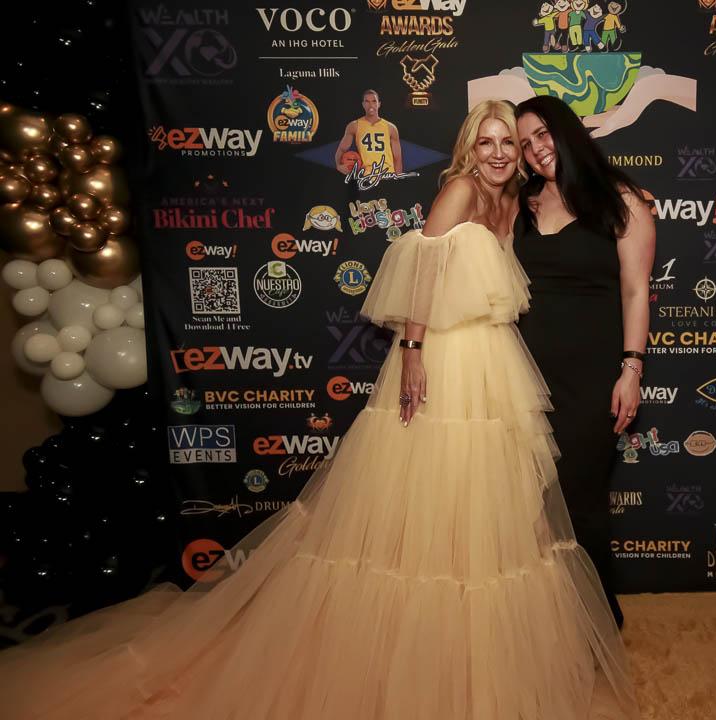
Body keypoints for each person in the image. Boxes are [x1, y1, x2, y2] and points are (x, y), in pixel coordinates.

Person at [0, 100, 639, 720]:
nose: (501, 153)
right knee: (427, 492)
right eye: (489, 141)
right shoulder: (461, 191)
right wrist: (414, 351)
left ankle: (479, 653)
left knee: (483, 503)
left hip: (495, 361)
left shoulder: (516, 203)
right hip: (446, 358)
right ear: (469, 147)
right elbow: (422, 269)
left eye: (510, 144)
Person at [513, 95, 655, 631]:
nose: (535, 149)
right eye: (525, 144)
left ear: (568, 130)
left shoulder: (622, 201)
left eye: (542, 134)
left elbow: (636, 291)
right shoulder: (521, 203)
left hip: (592, 378)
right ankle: (543, 623)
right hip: (521, 375)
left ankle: (596, 624)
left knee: (581, 500)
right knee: (528, 500)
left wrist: (631, 370)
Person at [335, 88, 402, 175]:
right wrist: (338, 166)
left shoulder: (391, 128)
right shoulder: (354, 126)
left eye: (374, 101)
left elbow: (397, 158)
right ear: (363, 104)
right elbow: (341, 149)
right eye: (367, 101)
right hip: (366, 176)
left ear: (379, 104)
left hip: (387, 175)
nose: (371, 105)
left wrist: (398, 179)